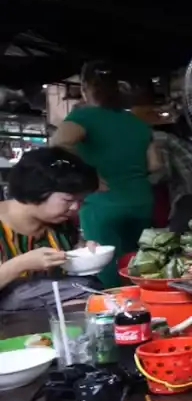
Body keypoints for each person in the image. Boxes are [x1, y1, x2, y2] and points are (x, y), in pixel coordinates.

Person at [50, 61, 160, 287]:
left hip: (103, 203)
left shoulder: (84, 117)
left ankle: (115, 313)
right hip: (141, 202)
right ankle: (141, 306)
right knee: (140, 263)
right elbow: (155, 165)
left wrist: (90, 174)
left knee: (106, 265)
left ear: (85, 88)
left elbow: (59, 142)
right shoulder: (138, 123)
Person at [0, 148, 100, 311]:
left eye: (81, 200)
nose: (75, 207)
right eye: (68, 200)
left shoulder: (61, 221)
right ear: (36, 190)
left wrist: (82, 253)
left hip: (48, 311)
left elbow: (69, 260)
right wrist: (22, 263)